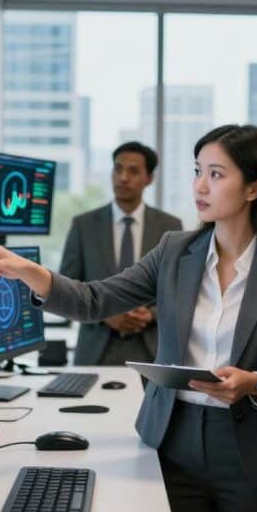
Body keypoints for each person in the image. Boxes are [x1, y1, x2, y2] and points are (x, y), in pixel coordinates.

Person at [0, 125, 257, 512]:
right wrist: (27, 271)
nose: (200, 186)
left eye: (216, 174)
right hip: (173, 442)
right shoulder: (174, 251)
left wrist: (255, 383)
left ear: (253, 189)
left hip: (251, 454)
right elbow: (94, 299)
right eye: (197, 171)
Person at [60, 141, 182, 366]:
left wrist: (151, 314)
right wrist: (103, 313)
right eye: (118, 169)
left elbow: (180, 291)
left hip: (152, 352)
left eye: (133, 171)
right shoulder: (83, 225)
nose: (123, 177)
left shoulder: (170, 226)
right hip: (96, 352)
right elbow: (66, 290)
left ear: (149, 179)